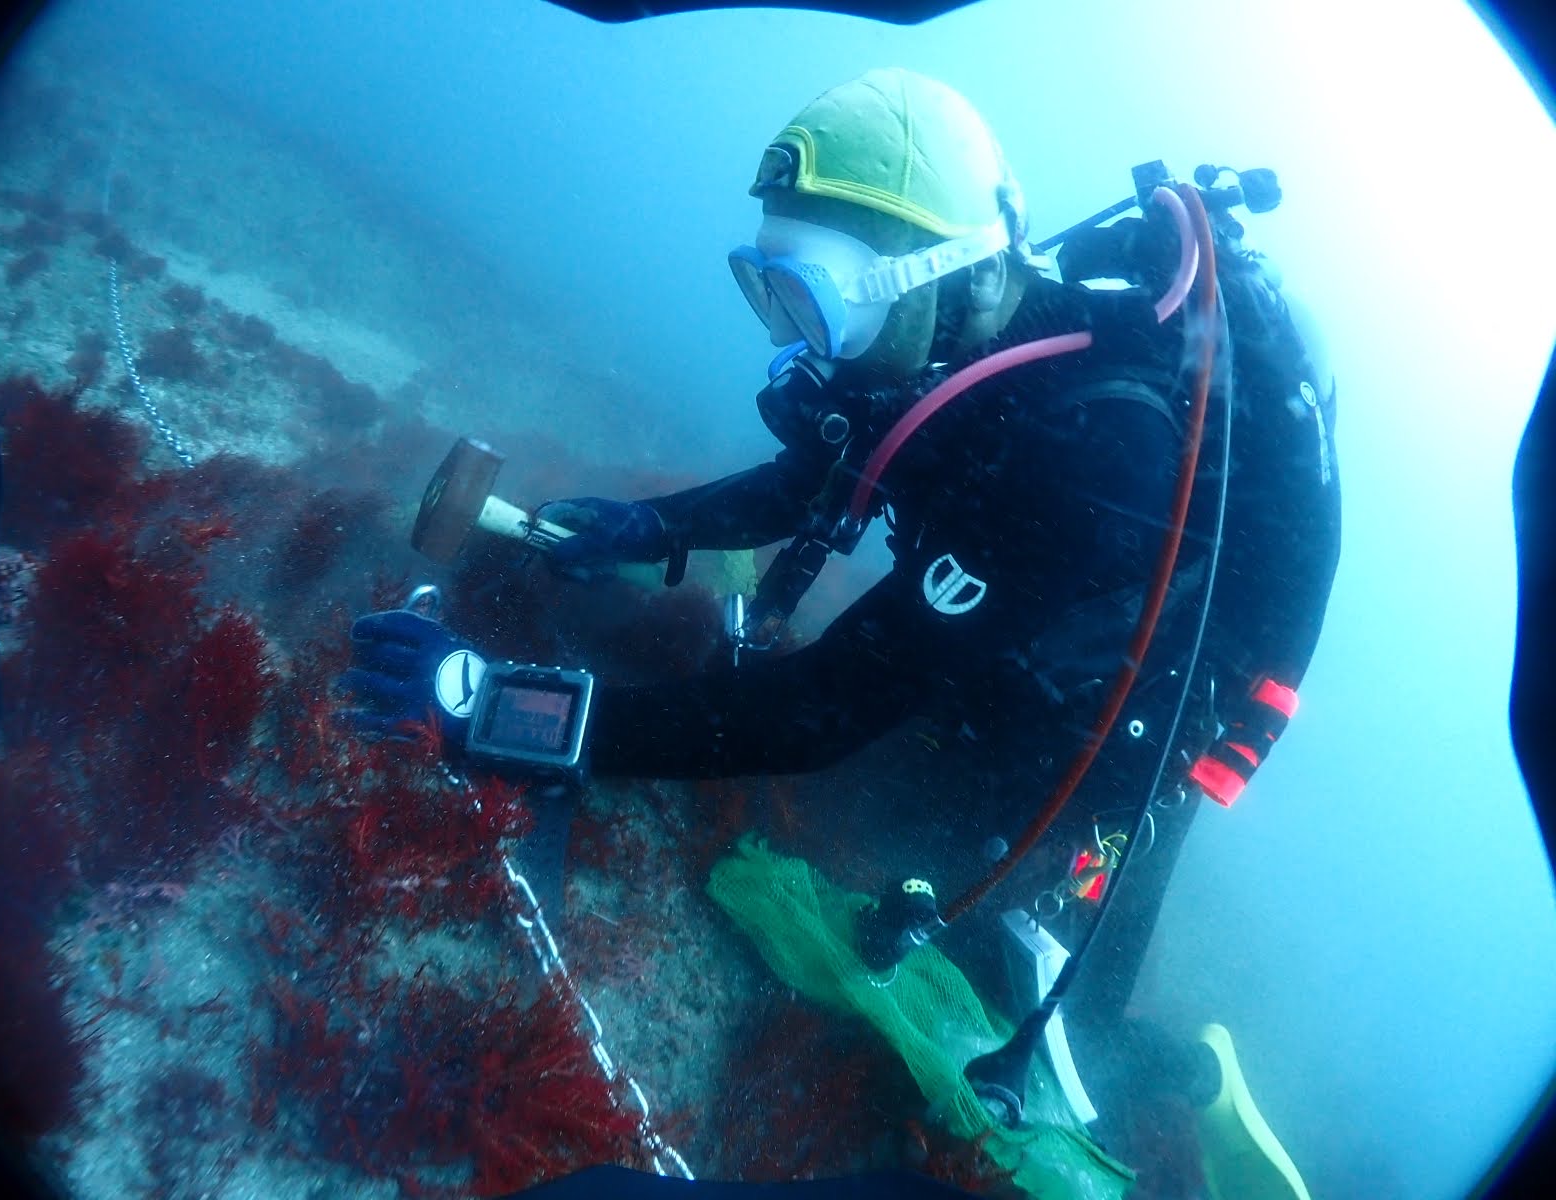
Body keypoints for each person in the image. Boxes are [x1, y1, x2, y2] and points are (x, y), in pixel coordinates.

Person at [346, 68, 1339, 1200]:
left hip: (1103, 755)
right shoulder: (934, 361)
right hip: (976, 675)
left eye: (815, 300)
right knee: (898, 843)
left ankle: (1199, 1080)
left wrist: (497, 710)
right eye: (770, 292)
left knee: (1061, 1052)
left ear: (935, 272)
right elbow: (812, 474)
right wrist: (650, 524)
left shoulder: (1093, 459)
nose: (794, 335)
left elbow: (806, 713)